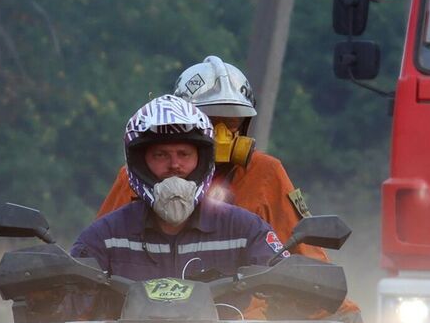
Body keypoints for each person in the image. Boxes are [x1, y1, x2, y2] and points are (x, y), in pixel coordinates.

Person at [96, 57, 379, 323]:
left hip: (243, 321)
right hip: (139, 321)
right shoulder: (137, 177)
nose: (220, 133)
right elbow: (90, 266)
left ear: (244, 125)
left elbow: (307, 265)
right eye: (210, 119)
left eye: (230, 123)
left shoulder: (266, 174)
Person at [71, 95, 288, 285]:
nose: (174, 165)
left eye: (184, 154)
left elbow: (289, 283)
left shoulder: (246, 229)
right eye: (161, 155)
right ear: (140, 162)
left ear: (202, 160)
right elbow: (67, 304)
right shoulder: (105, 235)